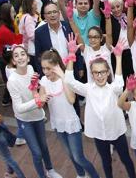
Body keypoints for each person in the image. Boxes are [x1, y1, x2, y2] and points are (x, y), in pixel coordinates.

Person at [64, 36, 136, 178]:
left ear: (108, 72)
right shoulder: (88, 89)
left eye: (103, 72)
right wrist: (71, 55)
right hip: (100, 134)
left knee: (126, 158)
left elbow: (120, 80)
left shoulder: (113, 88)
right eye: (96, 72)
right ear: (92, 74)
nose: (100, 75)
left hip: (116, 131)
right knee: (106, 160)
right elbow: (69, 81)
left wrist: (119, 57)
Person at [39, 50, 100, 178]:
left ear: (56, 66)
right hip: (58, 123)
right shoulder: (44, 81)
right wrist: (36, 91)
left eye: (48, 68)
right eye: (43, 68)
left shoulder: (65, 79)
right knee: (70, 155)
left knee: (79, 157)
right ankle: (81, 175)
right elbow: (40, 104)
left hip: (71, 123)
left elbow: (71, 100)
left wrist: (63, 76)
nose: (45, 71)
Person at [6, 45, 62, 178]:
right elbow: (18, 107)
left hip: (38, 116)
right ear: (13, 61)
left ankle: (50, 170)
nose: (20, 57)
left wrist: (36, 89)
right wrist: (38, 100)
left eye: (22, 54)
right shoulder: (12, 81)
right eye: (16, 55)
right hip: (24, 120)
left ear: (28, 57)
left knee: (44, 146)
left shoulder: (31, 69)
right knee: (36, 152)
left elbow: (35, 93)